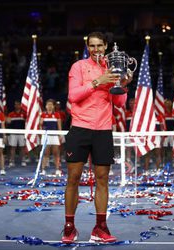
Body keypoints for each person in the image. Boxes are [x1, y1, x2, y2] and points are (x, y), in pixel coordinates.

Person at [62, 31, 132, 244]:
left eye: (100, 46)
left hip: (103, 130)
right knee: (73, 178)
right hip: (80, 129)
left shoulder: (112, 68)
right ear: (87, 46)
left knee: (102, 179)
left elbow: (119, 104)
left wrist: (124, 83)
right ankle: (69, 227)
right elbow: (73, 96)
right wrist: (96, 81)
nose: (96, 50)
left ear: (106, 46)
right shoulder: (78, 67)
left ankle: (100, 227)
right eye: (92, 46)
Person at [40, 99, 62, 176]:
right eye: (48, 104)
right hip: (46, 136)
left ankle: (57, 169)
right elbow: (40, 125)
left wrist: (60, 135)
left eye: (51, 104)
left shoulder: (57, 114)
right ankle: (43, 170)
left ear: (53, 106)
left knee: (56, 153)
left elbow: (59, 126)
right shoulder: (43, 114)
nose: (49, 106)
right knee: (46, 154)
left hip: (55, 136)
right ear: (46, 106)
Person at [6, 100, 27, 167]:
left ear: (21, 105)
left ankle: (23, 160)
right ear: (14, 105)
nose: (17, 106)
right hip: (13, 133)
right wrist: (7, 120)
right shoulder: (11, 114)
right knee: (13, 147)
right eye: (16, 104)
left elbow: (27, 123)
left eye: (18, 104)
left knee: (22, 147)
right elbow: (8, 123)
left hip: (22, 133)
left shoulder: (24, 114)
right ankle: (12, 161)